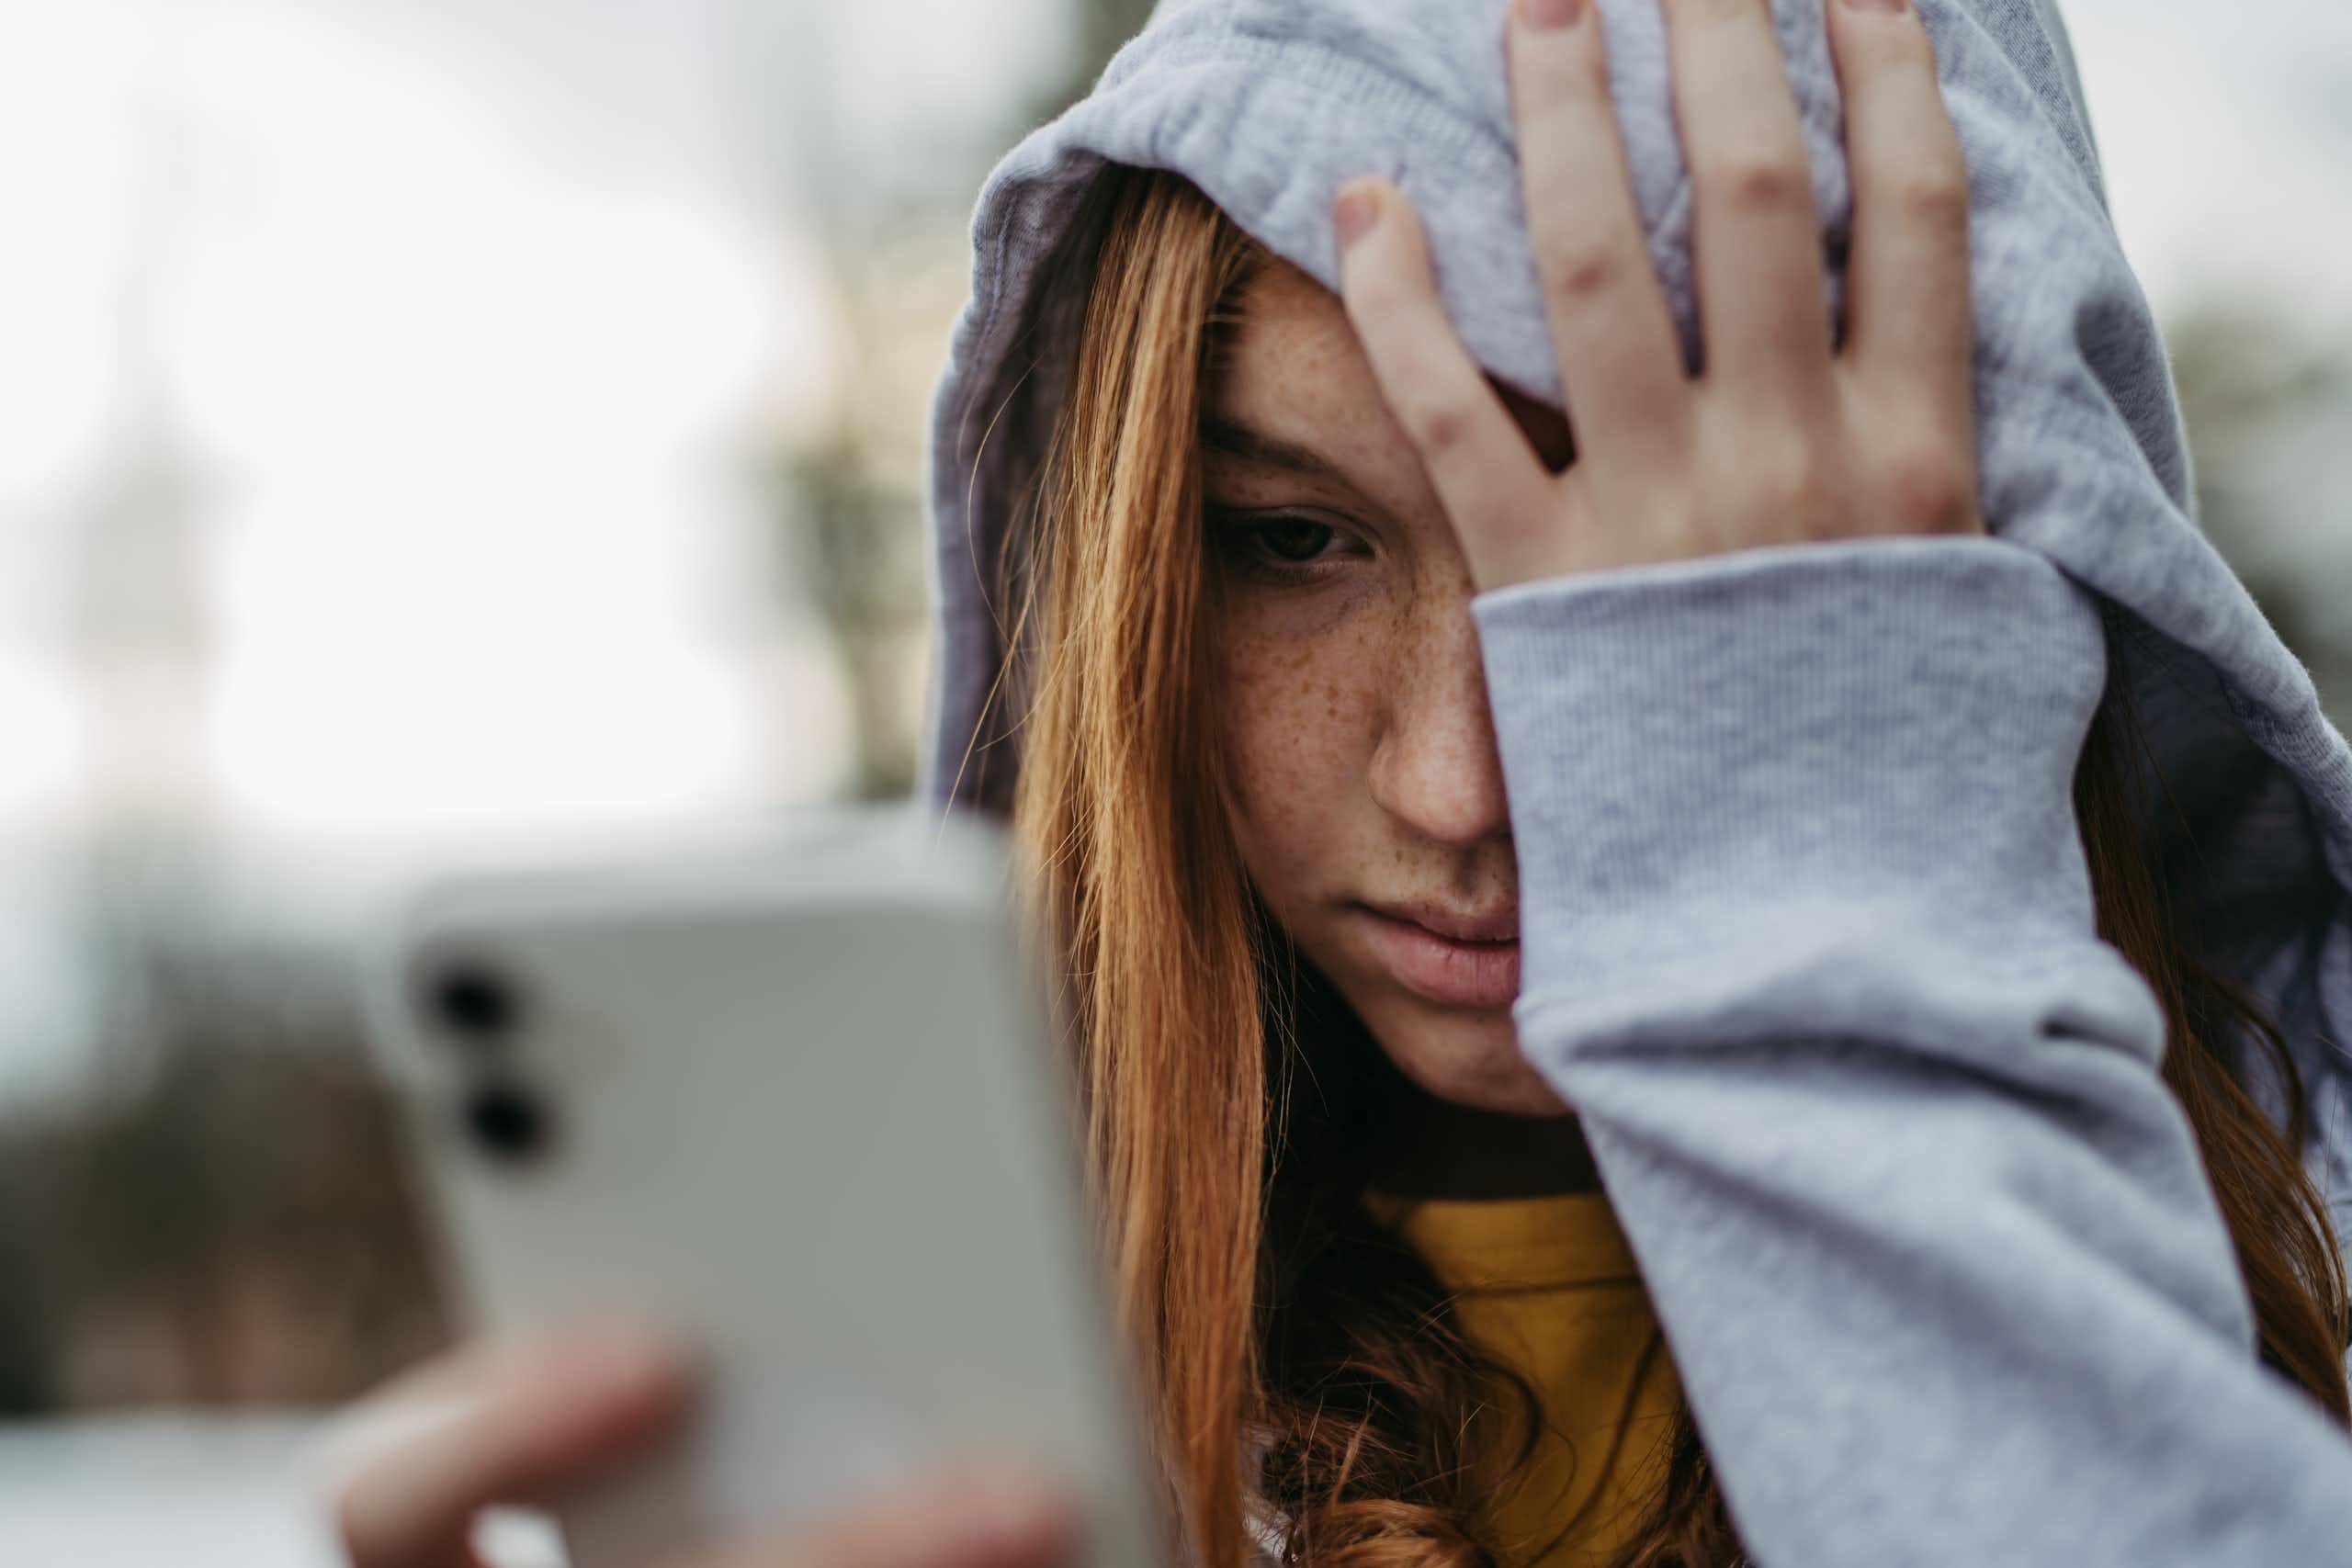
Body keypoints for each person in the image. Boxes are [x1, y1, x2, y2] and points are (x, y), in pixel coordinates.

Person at [332, 1, 2352, 1565]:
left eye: (1672, 599)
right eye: (1291, 539)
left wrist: (1810, 955)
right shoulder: (969, 1404)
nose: (1459, 785)